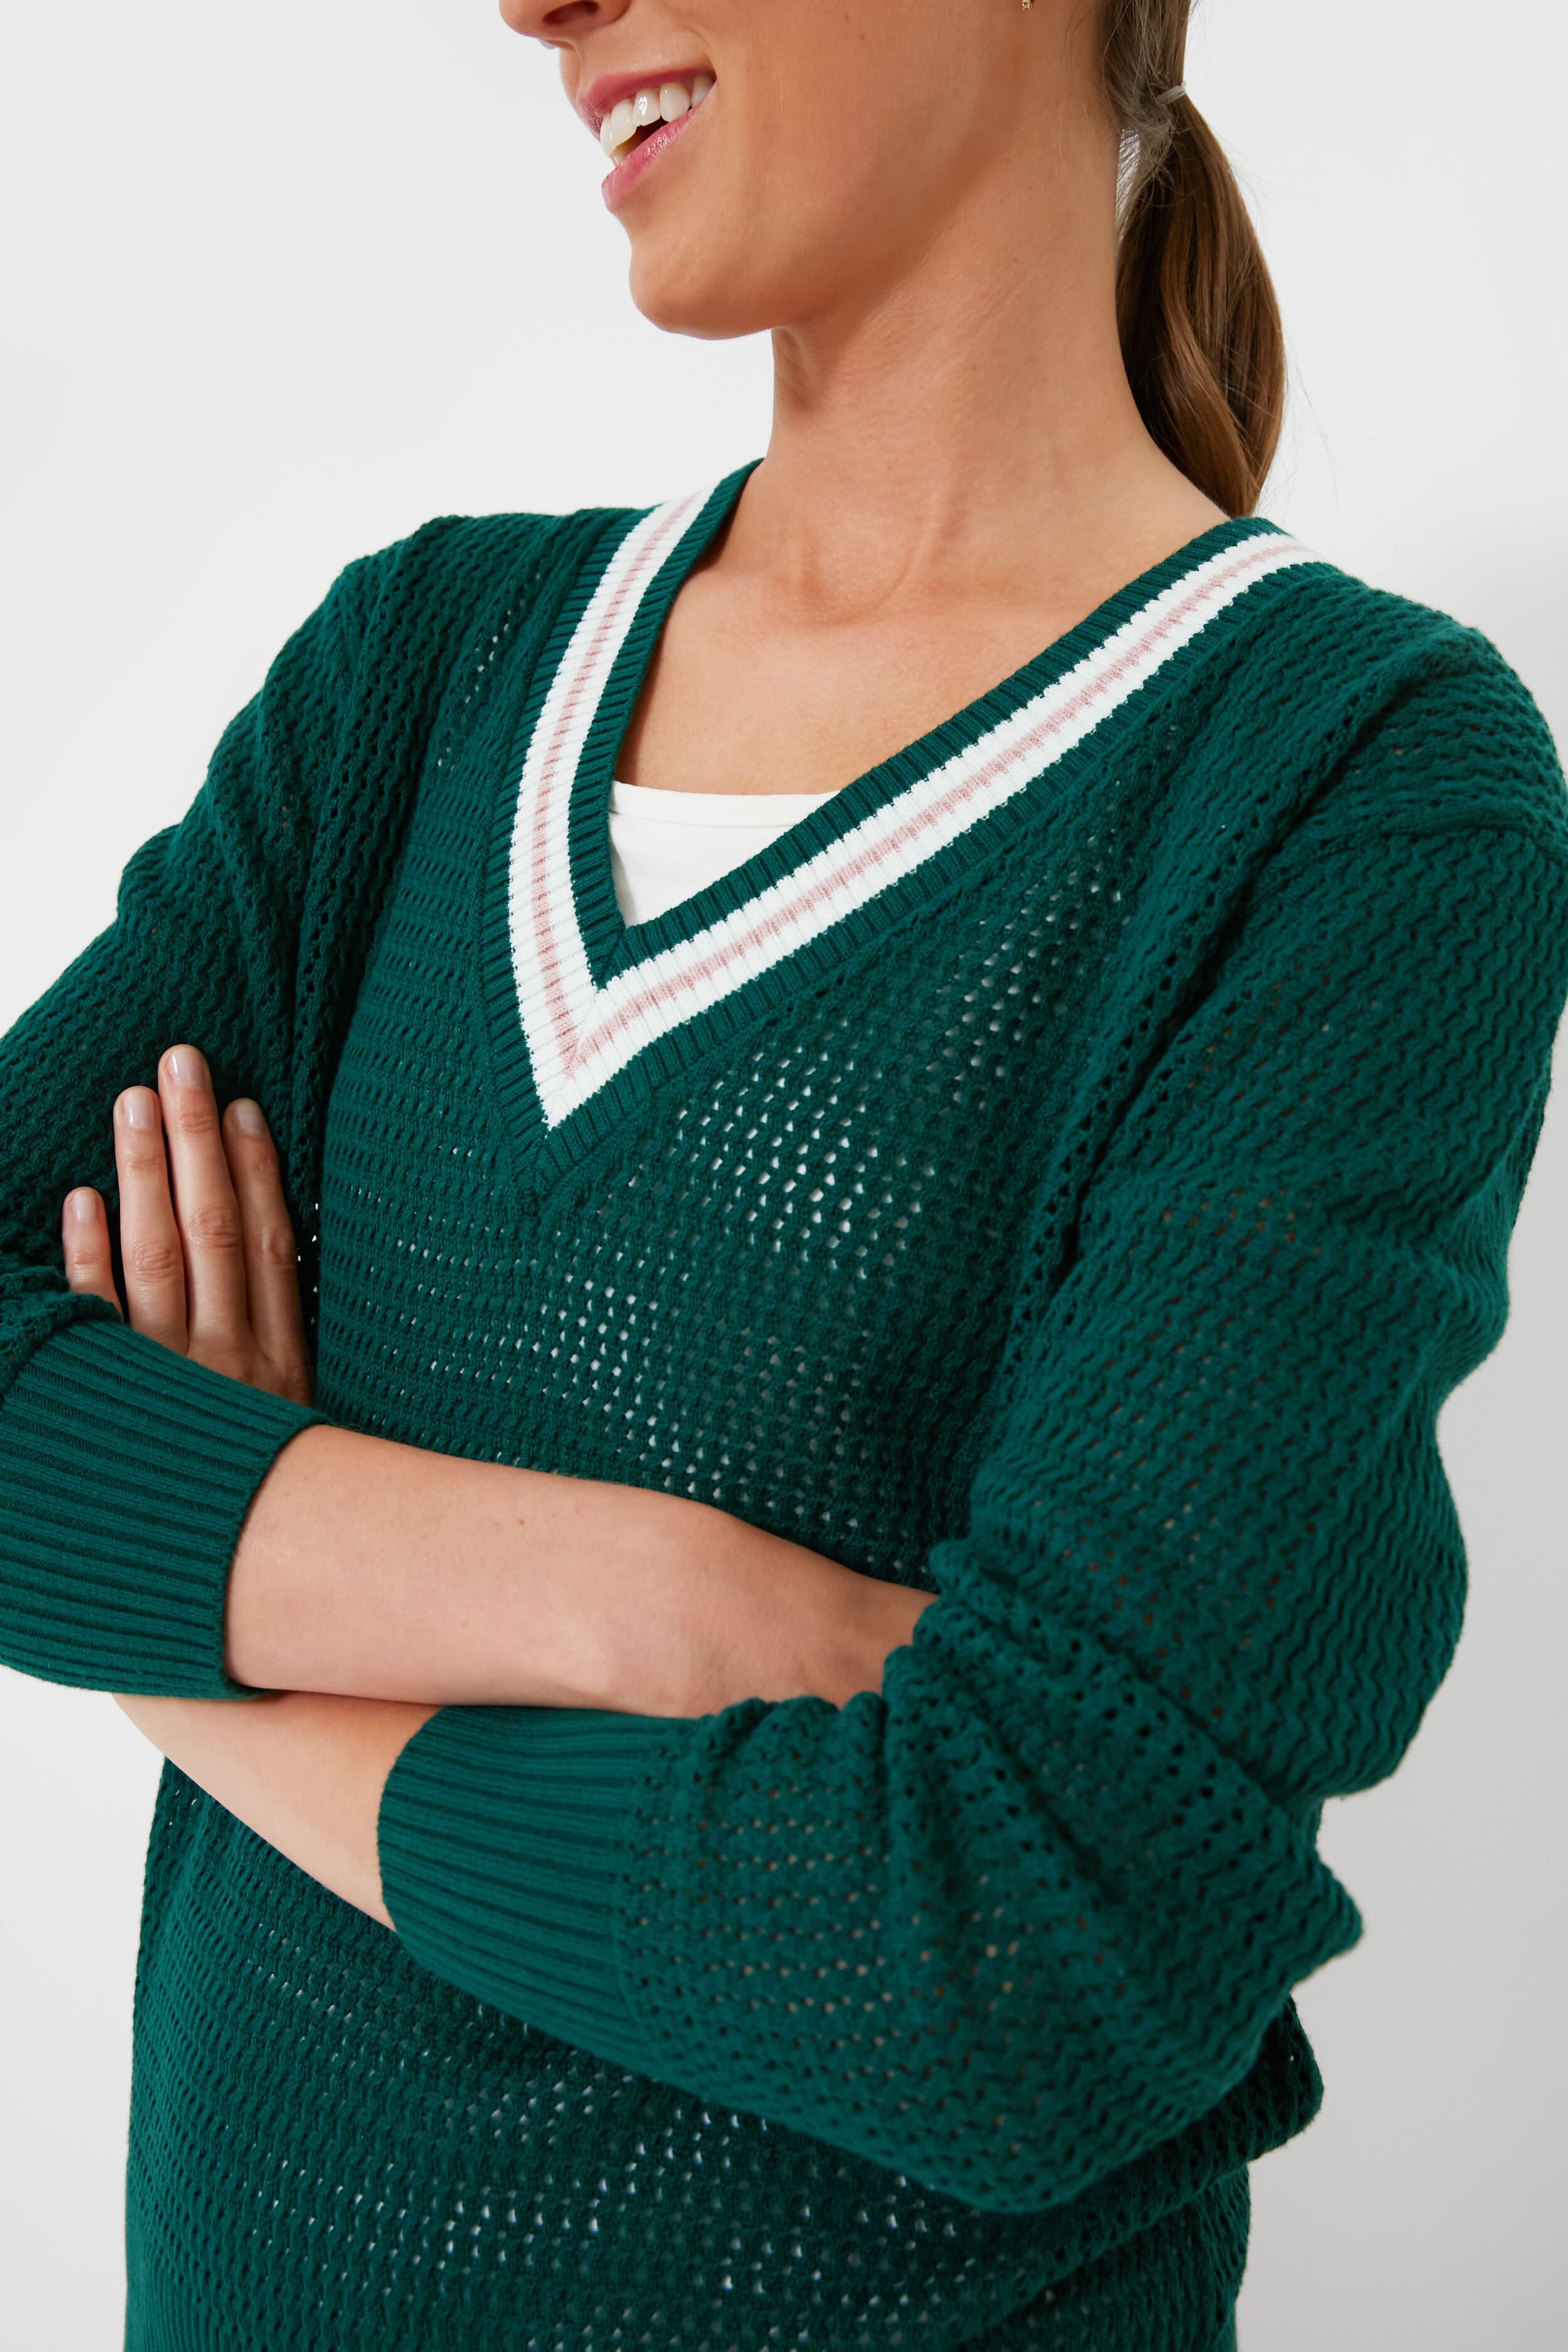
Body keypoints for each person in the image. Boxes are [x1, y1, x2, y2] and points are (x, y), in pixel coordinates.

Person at [3, 1, 1565, 2346]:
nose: (533, 4)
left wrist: (207, 1637)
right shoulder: (422, 677)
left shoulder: (1355, 791)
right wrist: (650, 1598)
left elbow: (1014, 1948)